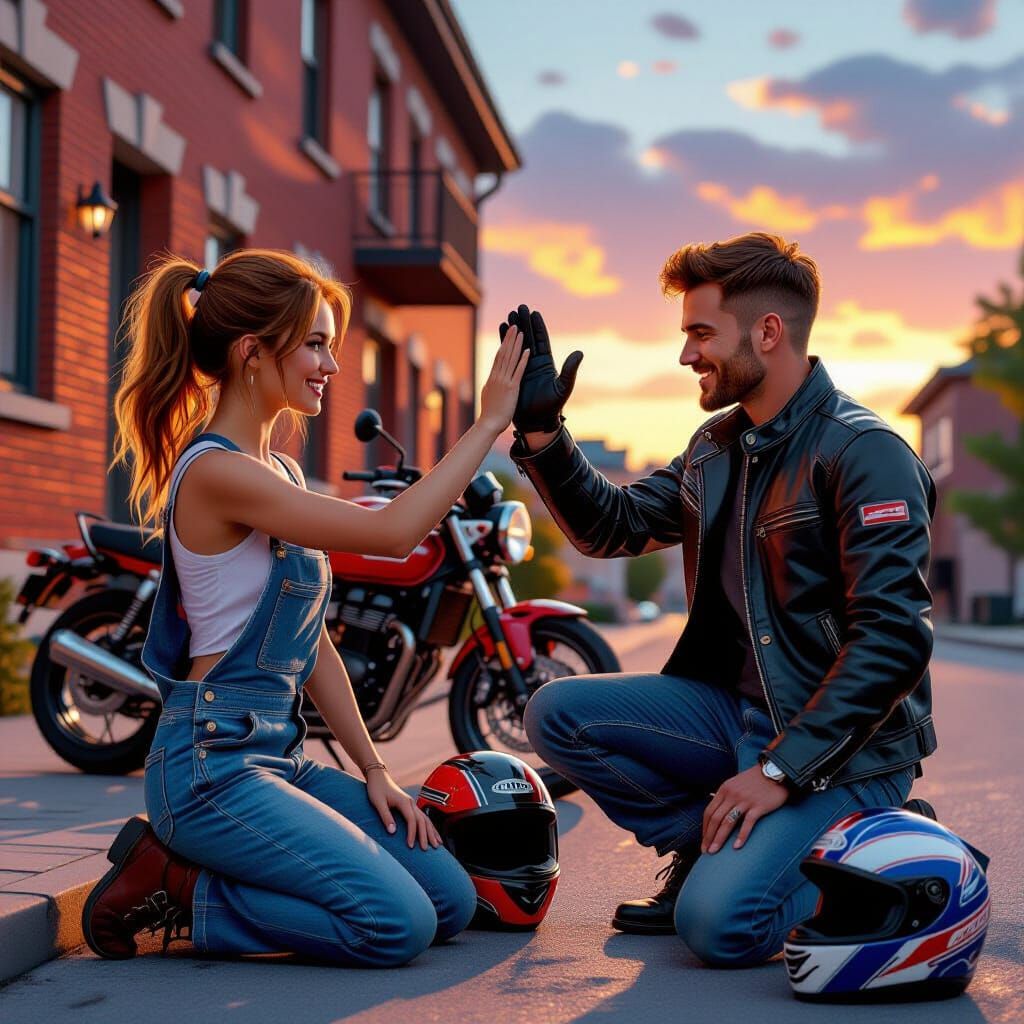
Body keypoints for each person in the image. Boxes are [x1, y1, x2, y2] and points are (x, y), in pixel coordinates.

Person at [82, 248, 530, 966]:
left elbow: (311, 642)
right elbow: (393, 532)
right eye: (316, 344)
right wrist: (486, 426)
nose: (331, 364)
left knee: (447, 899)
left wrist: (374, 769)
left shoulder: (280, 472)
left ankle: (240, 874)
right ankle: (175, 882)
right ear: (253, 352)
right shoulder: (218, 473)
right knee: (396, 926)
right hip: (209, 767)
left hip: (276, 755)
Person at [507, 231, 937, 966]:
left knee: (717, 929)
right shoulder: (714, 449)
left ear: (768, 332)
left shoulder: (865, 452)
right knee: (556, 712)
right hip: (731, 716)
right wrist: (544, 434)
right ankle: (705, 851)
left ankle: (890, 852)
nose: (686, 355)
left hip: (842, 750)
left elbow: (893, 636)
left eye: (701, 333)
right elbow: (614, 527)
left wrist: (780, 769)